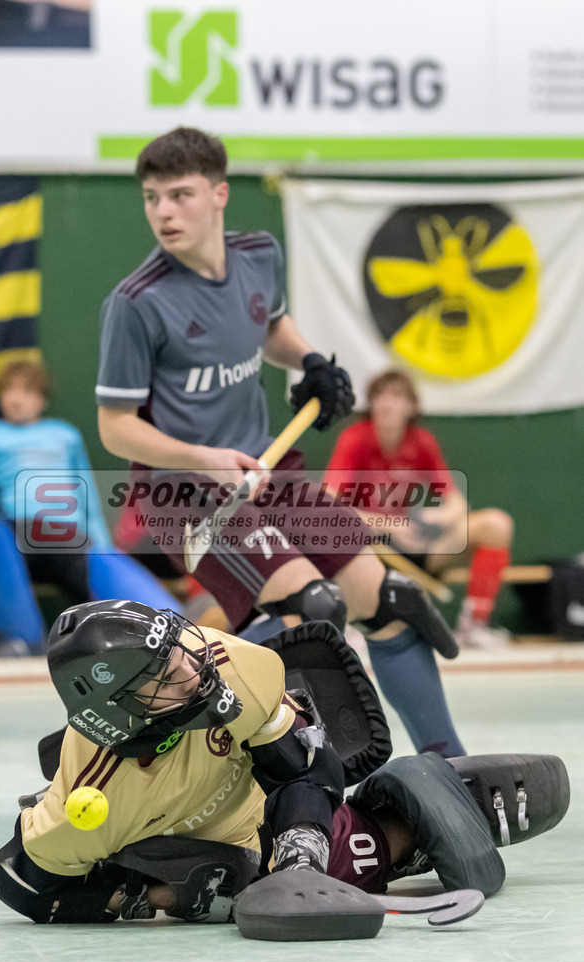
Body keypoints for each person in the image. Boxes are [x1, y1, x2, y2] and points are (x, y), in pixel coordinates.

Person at [94, 125, 466, 759]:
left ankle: (453, 767)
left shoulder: (259, 255)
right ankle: (306, 780)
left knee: (389, 603)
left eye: (180, 195)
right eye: (152, 198)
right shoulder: (136, 303)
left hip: (271, 476)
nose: (163, 212)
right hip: (187, 497)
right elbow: (115, 427)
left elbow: (269, 325)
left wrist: (309, 359)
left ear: (219, 195)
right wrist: (204, 459)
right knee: (310, 609)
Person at [0, 600, 568, 927]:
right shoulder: (89, 810)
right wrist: (161, 897)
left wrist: (301, 855)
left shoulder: (227, 663)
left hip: (256, 799)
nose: (193, 668)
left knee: (331, 847)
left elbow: (306, 768)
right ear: (120, 709)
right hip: (191, 839)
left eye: (178, 649)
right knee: (255, 877)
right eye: (165, 675)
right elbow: (22, 886)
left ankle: (389, 827)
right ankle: (391, 834)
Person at [0, 359, 180, 655]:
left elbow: (87, 498)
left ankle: (170, 627)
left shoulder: (65, 435)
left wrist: (102, 547)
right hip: (13, 536)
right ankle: (18, 644)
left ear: (41, 399)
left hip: (65, 538)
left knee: (106, 571)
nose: (16, 399)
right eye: (8, 390)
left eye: (26, 391)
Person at [326, 369, 514, 649]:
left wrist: (438, 517)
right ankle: (356, 622)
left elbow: (457, 504)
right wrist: (390, 526)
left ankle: (474, 626)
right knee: (336, 533)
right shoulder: (355, 439)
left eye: (396, 396)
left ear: (412, 407)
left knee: (495, 525)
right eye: (379, 396)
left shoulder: (421, 441)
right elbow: (329, 505)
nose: (386, 404)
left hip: (412, 544)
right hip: (368, 549)